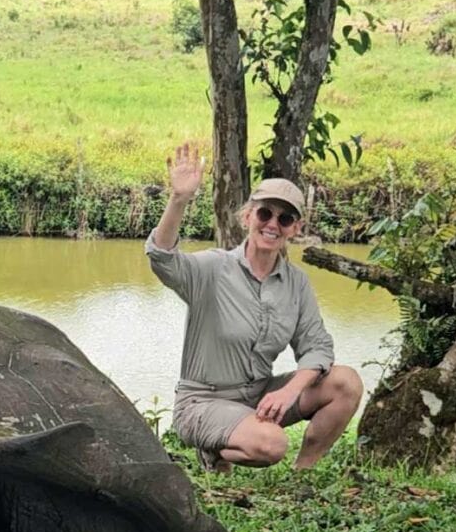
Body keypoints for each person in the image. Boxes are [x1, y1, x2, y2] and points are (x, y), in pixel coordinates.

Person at [145, 142, 363, 473]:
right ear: (249, 216)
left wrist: (289, 391)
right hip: (203, 402)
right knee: (272, 443)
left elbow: (317, 348)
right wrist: (179, 199)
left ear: (295, 228)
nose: (273, 224)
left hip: (259, 396)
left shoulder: (296, 283)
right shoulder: (212, 269)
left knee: (346, 383)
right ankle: (214, 449)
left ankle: (302, 473)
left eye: (285, 217)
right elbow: (162, 259)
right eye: (265, 213)